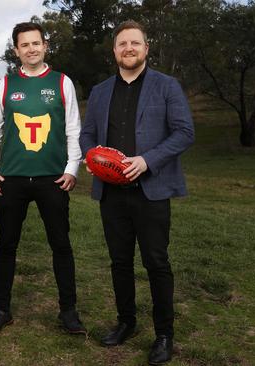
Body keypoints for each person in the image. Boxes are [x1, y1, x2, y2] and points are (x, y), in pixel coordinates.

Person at [79, 20, 195, 365]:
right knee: (119, 262)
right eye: (122, 44)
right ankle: (126, 322)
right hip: (112, 193)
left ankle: (164, 335)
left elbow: (184, 132)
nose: (128, 48)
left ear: (146, 48)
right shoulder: (100, 91)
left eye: (135, 43)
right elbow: (87, 135)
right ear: (114, 51)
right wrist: (92, 158)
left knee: (156, 262)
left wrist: (147, 161)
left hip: (151, 190)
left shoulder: (166, 86)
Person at [0, 22, 85, 336]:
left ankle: (68, 312)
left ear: (45, 45)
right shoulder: (6, 84)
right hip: (11, 179)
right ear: (16, 50)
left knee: (61, 245)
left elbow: (73, 130)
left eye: (36, 43)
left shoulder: (62, 82)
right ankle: (2, 310)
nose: (31, 49)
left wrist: (71, 169)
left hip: (52, 179)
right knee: (6, 245)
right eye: (24, 45)